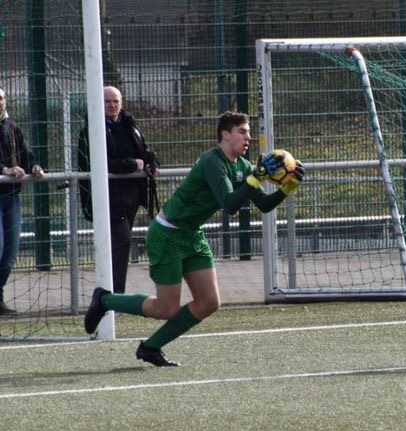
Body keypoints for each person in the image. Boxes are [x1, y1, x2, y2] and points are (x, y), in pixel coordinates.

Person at [84, 111, 304, 366]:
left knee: (209, 302)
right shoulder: (213, 161)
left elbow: (264, 205)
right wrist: (257, 178)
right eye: (243, 132)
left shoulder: (243, 166)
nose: (249, 137)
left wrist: (287, 188)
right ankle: (105, 300)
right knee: (166, 308)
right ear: (225, 134)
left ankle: (150, 347)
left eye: (249, 133)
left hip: (192, 235)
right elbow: (230, 204)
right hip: (167, 234)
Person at [78, 86, 160, 294]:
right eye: (107, 101)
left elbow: (144, 151)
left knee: (119, 245)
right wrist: (131, 164)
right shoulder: (91, 131)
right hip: (108, 198)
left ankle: (112, 294)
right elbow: (99, 163)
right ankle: (113, 296)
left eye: (115, 101)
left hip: (131, 196)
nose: (112, 105)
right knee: (122, 242)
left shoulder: (130, 125)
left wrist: (151, 162)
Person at [0, 88, 45, 315]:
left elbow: (27, 154)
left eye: (0, 98)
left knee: (10, 252)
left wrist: (34, 166)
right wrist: (5, 170)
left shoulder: (13, 128)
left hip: (11, 197)